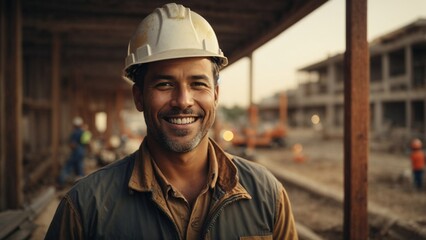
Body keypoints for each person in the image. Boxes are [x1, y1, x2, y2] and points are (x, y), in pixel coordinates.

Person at [46, 3, 298, 239]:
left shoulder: (267, 195)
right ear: (139, 97)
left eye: (198, 84)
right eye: (165, 84)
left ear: (216, 95)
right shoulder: (85, 207)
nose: (183, 100)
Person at [57, 117, 87, 188]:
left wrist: (72, 148)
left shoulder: (75, 133)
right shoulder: (83, 132)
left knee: (68, 167)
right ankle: (82, 184)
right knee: (79, 167)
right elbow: (86, 142)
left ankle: (61, 181)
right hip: (82, 151)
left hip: (76, 152)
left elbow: (72, 144)